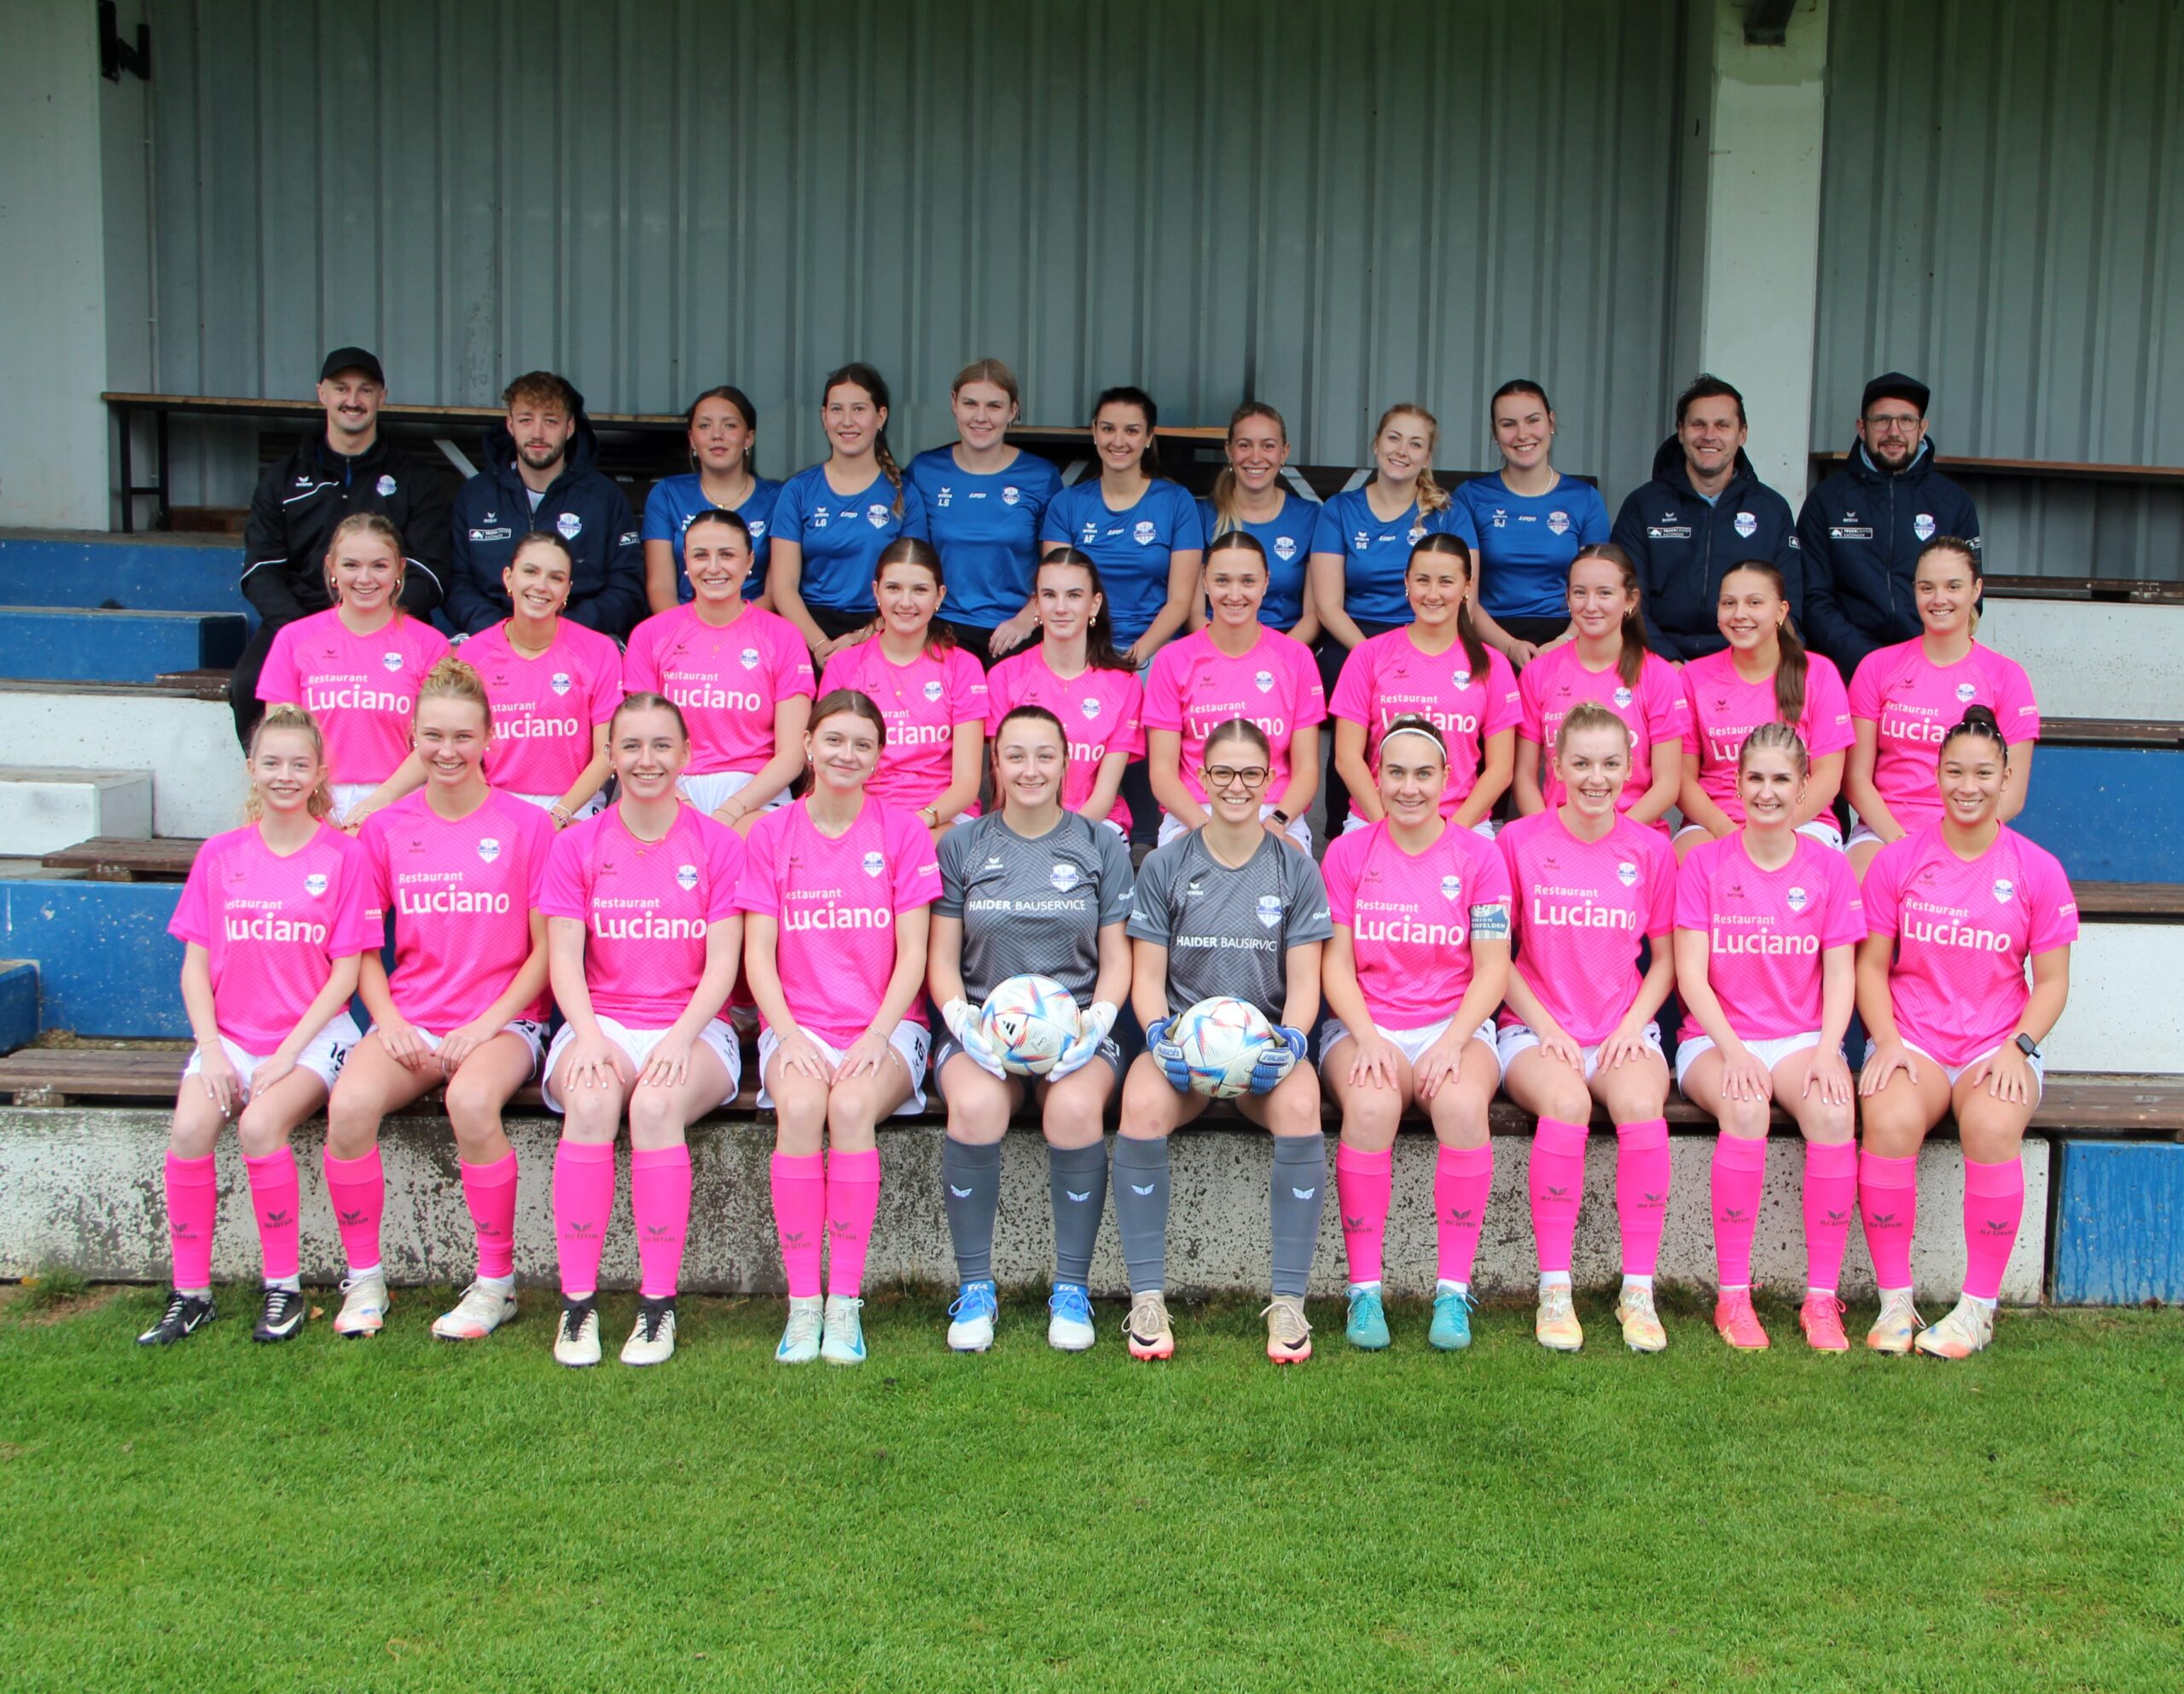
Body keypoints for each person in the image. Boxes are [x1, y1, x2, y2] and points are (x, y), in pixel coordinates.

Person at [326, 658, 555, 1341]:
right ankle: (364, 1279)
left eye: (462, 736)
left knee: (472, 1102)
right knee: (349, 1106)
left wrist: (486, 1025)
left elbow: (546, 951)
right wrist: (389, 1021)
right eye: (433, 736)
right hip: (415, 1017)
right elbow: (363, 948)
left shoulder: (528, 825)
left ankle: (496, 1285)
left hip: (504, 1022)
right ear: (412, 737)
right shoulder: (385, 829)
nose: (447, 751)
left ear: (490, 738)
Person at [137, 705, 374, 1347]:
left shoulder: (344, 855)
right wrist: (213, 1051)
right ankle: (190, 1294)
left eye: (299, 764)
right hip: (232, 1039)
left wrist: (287, 1055)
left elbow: (346, 975)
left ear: (320, 773)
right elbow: (195, 968)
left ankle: (283, 1288)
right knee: (190, 1128)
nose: (284, 775)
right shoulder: (220, 854)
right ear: (251, 769)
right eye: (272, 762)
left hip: (312, 1039)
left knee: (260, 1125)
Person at [1856, 706, 2076, 1359]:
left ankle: (1978, 1309)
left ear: (2006, 778)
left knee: (1992, 1124)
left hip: (1995, 1043)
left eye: (1983, 773)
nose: (1968, 786)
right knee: (1889, 1119)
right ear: (1937, 774)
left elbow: (2053, 982)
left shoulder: (2038, 869)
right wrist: (1887, 1041)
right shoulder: (1899, 861)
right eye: (1955, 771)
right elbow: (1870, 966)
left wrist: (2018, 1048)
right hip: (1914, 1038)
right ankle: (1895, 1303)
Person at [537, 694, 747, 1369]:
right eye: (630, 746)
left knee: (655, 1107)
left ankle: (658, 1305)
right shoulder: (576, 845)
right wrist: (588, 1037)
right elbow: (563, 958)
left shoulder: (717, 844)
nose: (646, 760)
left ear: (686, 755)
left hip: (693, 1026)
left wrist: (680, 1038)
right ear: (609, 756)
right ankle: (577, 1303)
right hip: (599, 1020)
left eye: (661, 745)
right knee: (591, 1101)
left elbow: (724, 963)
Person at [1116, 719, 1333, 1365]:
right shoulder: (1166, 863)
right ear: (1201, 778)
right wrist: (1158, 1036)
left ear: (1271, 781)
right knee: (1140, 1104)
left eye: (1251, 774)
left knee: (1302, 1105)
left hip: (1263, 1051)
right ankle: (1146, 1299)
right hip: (1186, 1050)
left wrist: (1291, 1045)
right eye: (1223, 773)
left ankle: (1289, 1302)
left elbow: (1305, 983)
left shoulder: (1295, 868)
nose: (1237, 786)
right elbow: (1147, 978)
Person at [737, 690, 942, 1367]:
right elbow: (758, 954)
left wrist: (877, 1035)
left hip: (886, 1025)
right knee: (800, 1108)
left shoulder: (903, 832)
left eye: (862, 744)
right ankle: (803, 1304)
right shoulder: (771, 834)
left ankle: (844, 1303)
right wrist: (789, 1035)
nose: (846, 755)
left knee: (850, 1107)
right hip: (799, 1024)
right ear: (807, 746)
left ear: (879, 756)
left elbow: (914, 954)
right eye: (833, 740)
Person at [927, 705, 1135, 1353]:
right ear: (995, 762)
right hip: (981, 1030)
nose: (1030, 770)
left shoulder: (1100, 843)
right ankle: (975, 1288)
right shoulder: (962, 845)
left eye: (1045, 755)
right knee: (975, 1106)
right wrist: (960, 1019)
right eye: (1015, 755)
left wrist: (1099, 1020)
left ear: (1067, 762)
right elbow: (941, 958)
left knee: (1073, 1110)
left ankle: (1071, 1289)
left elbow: (1118, 957)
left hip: (1078, 1030)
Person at [1319, 718, 1513, 1353]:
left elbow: (1492, 967)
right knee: (1371, 1107)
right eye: (1396, 772)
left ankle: (1452, 1293)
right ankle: (1364, 1291)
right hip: (1366, 1022)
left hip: (1450, 1024)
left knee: (1461, 1106)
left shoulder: (1479, 856)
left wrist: (1453, 1042)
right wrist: (1368, 1036)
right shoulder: (1348, 853)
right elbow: (1334, 963)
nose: (1409, 787)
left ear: (1447, 778)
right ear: (1376, 777)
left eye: (1424, 774)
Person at [1673, 723, 1865, 1353]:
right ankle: (1733, 1296)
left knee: (1834, 1113)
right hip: (1715, 1039)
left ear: (1804, 787)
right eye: (1755, 777)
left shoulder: (1830, 868)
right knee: (1746, 1105)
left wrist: (1830, 1050)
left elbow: (1841, 973)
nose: (1767, 791)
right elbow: (1691, 977)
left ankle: (1821, 1300)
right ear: (1735, 784)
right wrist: (1733, 1051)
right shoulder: (1704, 863)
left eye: (1782, 779)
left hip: (1800, 1036)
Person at [1497, 704, 1679, 1355]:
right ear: (1556, 765)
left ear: (1630, 769)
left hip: (1621, 1028)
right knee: (1568, 1103)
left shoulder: (1652, 850)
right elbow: (1494, 958)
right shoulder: (1517, 842)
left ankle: (1638, 1291)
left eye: (1609, 764)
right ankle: (1555, 1289)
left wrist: (1633, 1024)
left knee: (1640, 1105)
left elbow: (1666, 960)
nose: (1595, 778)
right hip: (1536, 1028)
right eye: (1580, 763)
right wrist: (1547, 1027)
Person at [235, 346, 451, 747]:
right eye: (341, 388)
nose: (353, 400)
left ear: (382, 397)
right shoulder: (282, 477)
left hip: (390, 621)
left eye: (365, 389)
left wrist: (378, 620)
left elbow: (431, 572)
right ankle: (279, 778)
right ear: (322, 393)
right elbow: (261, 570)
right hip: (298, 620)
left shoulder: (416, 477)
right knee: (248, 684)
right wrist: (306, 631)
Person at [1308, 403, 1478, 824]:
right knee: (1347, 684)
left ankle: (1458, 813)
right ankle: (1345, 822)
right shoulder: (1340, 509)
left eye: (1415, 444)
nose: (1402, 450)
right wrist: (1373, 656)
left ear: (1428, 456)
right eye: (1394, 438)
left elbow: (1466, 596)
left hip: (1432, 627)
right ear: (1376, 444)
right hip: (1355, 634)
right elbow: (1328, 605)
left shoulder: (1449, 513)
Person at [1844, 537, 2039, 879]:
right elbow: (1855, 779)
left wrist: (1953, 842)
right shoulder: (1877, 667)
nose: (1939, 599)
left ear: (1976, 590)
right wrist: (1900, 842)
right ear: (1914, 591)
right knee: (1859, 884)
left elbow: (2013, 795)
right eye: (1927, 587)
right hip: (1883, 832)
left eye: (1953, 586)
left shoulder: (2007, 677)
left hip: (1970, 833)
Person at [254, 513, 451, 827]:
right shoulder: (294, 640)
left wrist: (384, 797)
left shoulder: (429, 645)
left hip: (402, 803)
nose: (365, 578)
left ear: (400, 569)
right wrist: (315, 805)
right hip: (312, 803)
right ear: (331, 567)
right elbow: (281, 739)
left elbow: (441, 741)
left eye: (379, 566)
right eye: (351, 565)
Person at [624, 508, 814, 832]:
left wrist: (730, 811)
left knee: (753, 845)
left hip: (755, 792)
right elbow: (641, 742)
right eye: (701, 555)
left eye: (727, 555)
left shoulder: (783, 636)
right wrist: (683, 806)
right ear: (685, 560)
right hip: (668, 785)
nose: (713, 567)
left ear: (750, 560)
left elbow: (793, 754)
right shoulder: (650, 635)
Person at [1329, 534, 1519, 837]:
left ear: (1467, 586)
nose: (1432, 594)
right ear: (1406, 582)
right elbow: (1347, 757)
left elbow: (1501, 770)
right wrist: (1386, 825)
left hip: (1462, 825)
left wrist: (1449, 834)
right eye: (1422, 580)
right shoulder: (1369, 655)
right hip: (1376, 819)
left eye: (1446, 582)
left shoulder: (1492, 664)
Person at [1144, 531, 1323, 850]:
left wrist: (1277, 822)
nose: (1235, 594)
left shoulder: (1296, 657)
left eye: (1248, 581)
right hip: (1195, 811)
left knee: (1286, 868)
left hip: (1274, 811)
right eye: (1222, 581)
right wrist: (1208, 830)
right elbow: (1162, 771)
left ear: (1266, 582)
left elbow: (1307, 769)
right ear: (1204, 581)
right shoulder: (1173, 659)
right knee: (1187, 869)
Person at [1797, 372, 1983, 677]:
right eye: (1881, 420)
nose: (1894, 432)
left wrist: (1920, 660)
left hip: (1930, 669)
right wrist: (1870, 662)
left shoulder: (1954, 503)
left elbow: (1967, 597)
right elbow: (1814, 599)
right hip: (1846, 669)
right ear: (1862, 428)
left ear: (1922, 428)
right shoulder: (1826, 501)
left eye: (1906, 420)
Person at [1610, 374, 1800, 660]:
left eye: (1722, 425)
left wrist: (1742, 667)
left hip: (1743, 662)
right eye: (1698, 424)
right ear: (1681, 431)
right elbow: (1626, 600)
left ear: (1742, 434)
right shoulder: (1643, 505)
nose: (1709, 435)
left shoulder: (1772, 510)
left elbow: (1789, 605)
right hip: (1656, 662)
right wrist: (1668, 663)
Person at [446, 371, 647, 639]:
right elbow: (457, 584)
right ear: (510, 425)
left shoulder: (605, 498)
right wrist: (502, 631)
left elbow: (627, 588)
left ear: (570, 427)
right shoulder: (475, 496)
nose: (537, 433)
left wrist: (566, 629)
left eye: (550, 421)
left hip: (581, 637)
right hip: (492, 635)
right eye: (526, 420)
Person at [1675, 562, 1853, 859]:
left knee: (1799, 865)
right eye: (1728, 603)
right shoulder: (1693, 678)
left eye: (1754, 603)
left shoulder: (1818, 673)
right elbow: (1682, 779)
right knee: (1689, 861)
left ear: (1781, 611)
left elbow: (1828, 777)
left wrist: (1774, 829)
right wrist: (1728, 831)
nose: (1739, 614)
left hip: (1801, 820)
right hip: (1715, 822)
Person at [816, 538, 988, 835]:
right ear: (876, 591)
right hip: (861, 814)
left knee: (919, 852)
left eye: (919, 590)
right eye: (893, 588)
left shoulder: (963, 666)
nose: (906, 602)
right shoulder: (844, 666)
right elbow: (829, 764)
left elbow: (967, 782)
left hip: (941, 817)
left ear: (939, 595)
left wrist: (919, 821)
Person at [1513, 544, 1687, 830]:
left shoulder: (1659, 675)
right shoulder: (1538, 672)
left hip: (1634, 833)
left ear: (1630, 599)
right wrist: (1550, 833)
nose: (1591, 605)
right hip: (1555, 835)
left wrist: (1611, 837)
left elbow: (1667, 784)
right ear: (1568, 598)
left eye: (1604, 593)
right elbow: (1523, 778)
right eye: (1580, 592)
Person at [905, 358, 1063, 664]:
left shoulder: (1041, 477)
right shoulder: (924, 471)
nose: (981, 417)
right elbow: (909, 561)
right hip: (940, 629)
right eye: (970, 404)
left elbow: (1058, 567)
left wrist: (1028, 619)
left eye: (994, 406)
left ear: (1012, 410)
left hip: (1016, 630)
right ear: (954, 403)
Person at [456, 531, 621, 822]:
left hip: (575, 806)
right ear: (508, 578)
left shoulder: (598, 651)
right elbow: (461, 747)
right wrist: (498, 811)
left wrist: (559, 816)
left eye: (555, 578)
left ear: (567, 590)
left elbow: (608, 752)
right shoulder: (473, 653)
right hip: (494, 805)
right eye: (530, 572)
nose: (541, 586)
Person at [770, 363, 931, 658]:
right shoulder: (798, 491)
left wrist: (862, 639)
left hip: (880, 629)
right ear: (824, 416)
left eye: (858, 409)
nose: (847, 421)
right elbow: (783, 587)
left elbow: (914, 584)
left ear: (880, 416)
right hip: (809, 631)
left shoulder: (905, 494)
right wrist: (820, 647)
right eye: (836, 410)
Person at [1037, 386, 1203, 666]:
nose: (1118, 441)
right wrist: (1093, 658)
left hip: (1156, 653)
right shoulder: (1066, 504)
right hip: (1084, 651)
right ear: (1094, 431)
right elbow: (1058, 590)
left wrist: (1136, 656)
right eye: (1108, 429)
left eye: (1132, 431)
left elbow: (1180, 601)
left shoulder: (1177, 502)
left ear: (1149, 436)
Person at [984, 548, 1145, 834]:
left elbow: (1105, 793)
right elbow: (1003, 779)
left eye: (1074, 595)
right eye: (1049, 595)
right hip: (1018, 823)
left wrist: (1061, 838)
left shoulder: (1124, 684)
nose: (1060, 607)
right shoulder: (1005, 677)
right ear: (1036, 604)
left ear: (1094, 604)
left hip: (1095, 825)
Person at [1455, 380, 1612, 667]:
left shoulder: (1585, 499)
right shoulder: (1470, 497)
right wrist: (1509, 646)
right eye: (1508, 424)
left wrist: (1565, 642)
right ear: (1495, 432)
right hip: (1490, 640)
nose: (1522, 434)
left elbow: (1598, 589)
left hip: (1570, 635)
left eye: (1533, 420)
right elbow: (1465, 597)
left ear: (1551, 422)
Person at [641, 385, 782, 612]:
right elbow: (660, 588)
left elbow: (776, 592)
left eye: (729, 425)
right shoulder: (667, 494)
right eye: (705, 426)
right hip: (680, 624)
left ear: (749, 437)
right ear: (692, 438)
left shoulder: (778, 499)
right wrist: (686, 629)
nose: (717, 435)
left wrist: (739, 626)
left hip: (756, 623)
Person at [1195, 403, 1320, 642]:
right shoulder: (1202, 516)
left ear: (1284, 453)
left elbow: (1314, 615)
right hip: (1217, 644)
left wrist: (1276, 655)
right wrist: (1229, 653)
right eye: (1245, 445)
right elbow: (1194, 614)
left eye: (1268, 446)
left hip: (1287, 645)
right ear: (1229, 450)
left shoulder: (1309, 517)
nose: (1255, 457)